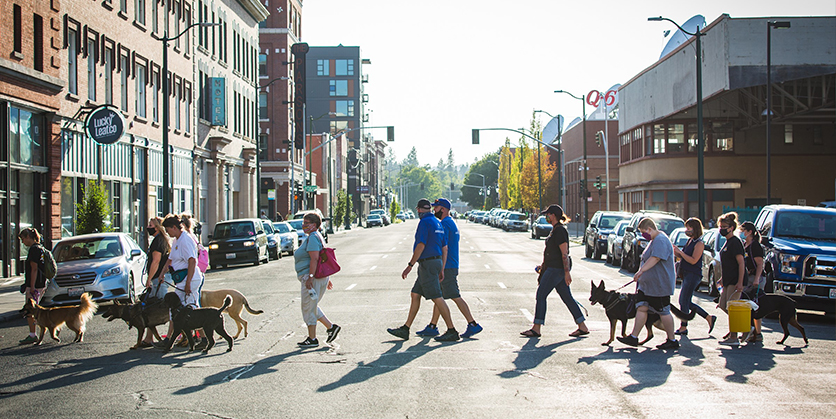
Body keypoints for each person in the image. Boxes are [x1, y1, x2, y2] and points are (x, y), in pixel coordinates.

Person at [388, 198, 460, 342]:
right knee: (415, 294)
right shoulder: (437, 222)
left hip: (428, 264)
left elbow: (421, 245)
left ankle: (452, 330)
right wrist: (442, 267)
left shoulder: (424, 223)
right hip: (436, 262)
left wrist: (410, 265)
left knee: (437, 297)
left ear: (419, 210)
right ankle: (406, 328)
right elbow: (445, 248)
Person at [414, 198, 483, 338]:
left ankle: (473, 324)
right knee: (439, 296)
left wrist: (441, 268)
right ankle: (432, 326)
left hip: (447, 266)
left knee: (454, 296)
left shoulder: (444, 224)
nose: (434, 211)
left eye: (436, 208)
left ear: (443, 209)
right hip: (451, 264)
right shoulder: (451, 223)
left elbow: (441, 246)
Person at [521, 205, 589, 338]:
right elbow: (551, 252)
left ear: (553, 215)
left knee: (541, 295)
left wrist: (567, 272)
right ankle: (582, 326)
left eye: (548, 214)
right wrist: (542, 266)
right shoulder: (555, 230)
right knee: (567, 297)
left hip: (556, 270)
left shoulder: (560, 231)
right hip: (552, 268)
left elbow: (564, 253)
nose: (546, 217)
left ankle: (536, 328)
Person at [617, 217, 679, 350]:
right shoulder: (653, 240)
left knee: (664, 311)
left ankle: (672, 339)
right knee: (641, 307)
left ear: (650, 229)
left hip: (659, 285)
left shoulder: (661, 240)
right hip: (647, 286)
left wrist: (641, 271)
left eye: (644, 232)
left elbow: (655, 258)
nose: (643, 235)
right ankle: (633, 337)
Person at [157, 214, 205, 347]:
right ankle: (175, 339)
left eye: (168, 229)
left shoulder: (185, 239)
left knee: (191, 308)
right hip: (181, 279)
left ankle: (202, 338)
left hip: (190, 278)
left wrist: (188, 282)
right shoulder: (176, 240)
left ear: (174, 227)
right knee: (178, 309)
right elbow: (170, 259)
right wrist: (162, 273)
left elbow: (192, 260)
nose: (167, 232)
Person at [295, 212, 340, 347]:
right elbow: (321, 258)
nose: (304, 226)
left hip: (312, 278)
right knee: (312, 306)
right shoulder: (315, 236)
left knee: (308, 307)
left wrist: (310, 277)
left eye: (307, 223)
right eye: (304, 223)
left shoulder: (314, 237)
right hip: (318, 277)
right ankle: (331, 327)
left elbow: (315, 259)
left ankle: (312, 338)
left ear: (314, 225)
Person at [672, 218, 717, 336]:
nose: (687, 230)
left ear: (695, 228)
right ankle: (708, 317)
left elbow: (693, 260)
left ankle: (683, 326)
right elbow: (683, 257)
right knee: (686, 301)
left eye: (689, 228)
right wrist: (676, 251)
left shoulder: (699, 243)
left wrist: (681, 253)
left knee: (683, 300)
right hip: (686, 273)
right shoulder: (690, 241)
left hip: (693, 274)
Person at [137, 217, 170, 348]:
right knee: (152, 309)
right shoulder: (161, 240)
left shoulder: (158, 242)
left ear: (157, 227)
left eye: (151, 225)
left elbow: (156, 261)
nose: (148, 227)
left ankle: (169, 336)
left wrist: (149, 279)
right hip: (160, 278)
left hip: (158, 279)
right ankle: (149, 338)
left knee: (160, 308)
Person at [716, 212, 746, 346]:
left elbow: (741, 263)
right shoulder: (727, 242)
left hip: (735, 280)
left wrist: (740, 282)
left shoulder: (735, 242)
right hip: (728, 280)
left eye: (724, 226)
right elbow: (727, 263)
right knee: (723, 305)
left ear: (731, 228)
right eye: (720, 226)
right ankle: (743, 327)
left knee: (732, 307)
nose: (722, 229)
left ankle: (734, 336)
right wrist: (722, 278)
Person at [18, 228, 47, 345]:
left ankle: (32, 334)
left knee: (30, 309)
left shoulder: (33, 250)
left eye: (23, 239)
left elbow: (34, 269)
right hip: (42, 282)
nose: (22, 242)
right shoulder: (40, 248)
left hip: (35, 284)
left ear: (29, 237)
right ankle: (53, 327)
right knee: (38, 309)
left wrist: (32, 286)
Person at [740, 221, 765, 343]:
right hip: (747, 277)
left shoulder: (755, 246)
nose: (742, 233)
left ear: (750, 232)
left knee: (755, 305)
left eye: (743, 230)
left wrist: (756, 279)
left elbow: (760, 264)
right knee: (746, 305)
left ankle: (758, 333)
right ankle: (749, 330)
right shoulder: (745, 244)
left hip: (756, 278)